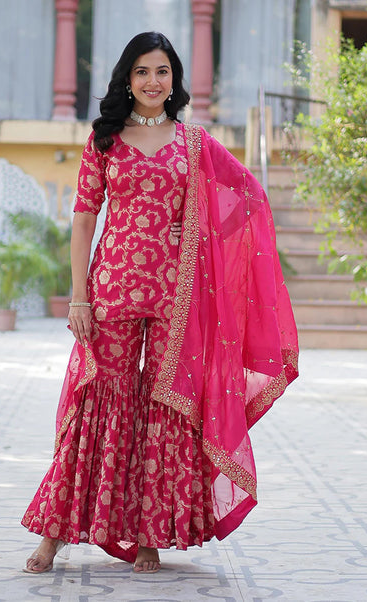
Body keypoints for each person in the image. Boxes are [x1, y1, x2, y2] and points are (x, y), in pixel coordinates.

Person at [22, 31, 299, 575]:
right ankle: (54, 533)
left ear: (174, 80)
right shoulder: (104, 140)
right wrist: (79, 296)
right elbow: (83, 220)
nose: (153, 82)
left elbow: (247, 196)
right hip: (113, 288)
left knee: (163, 408)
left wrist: (195, 230)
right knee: (98, 399)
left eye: (163, 72)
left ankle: (150, 535)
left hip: (177, 295)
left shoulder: (194, 143)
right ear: (128, 79)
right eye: (143, 72)